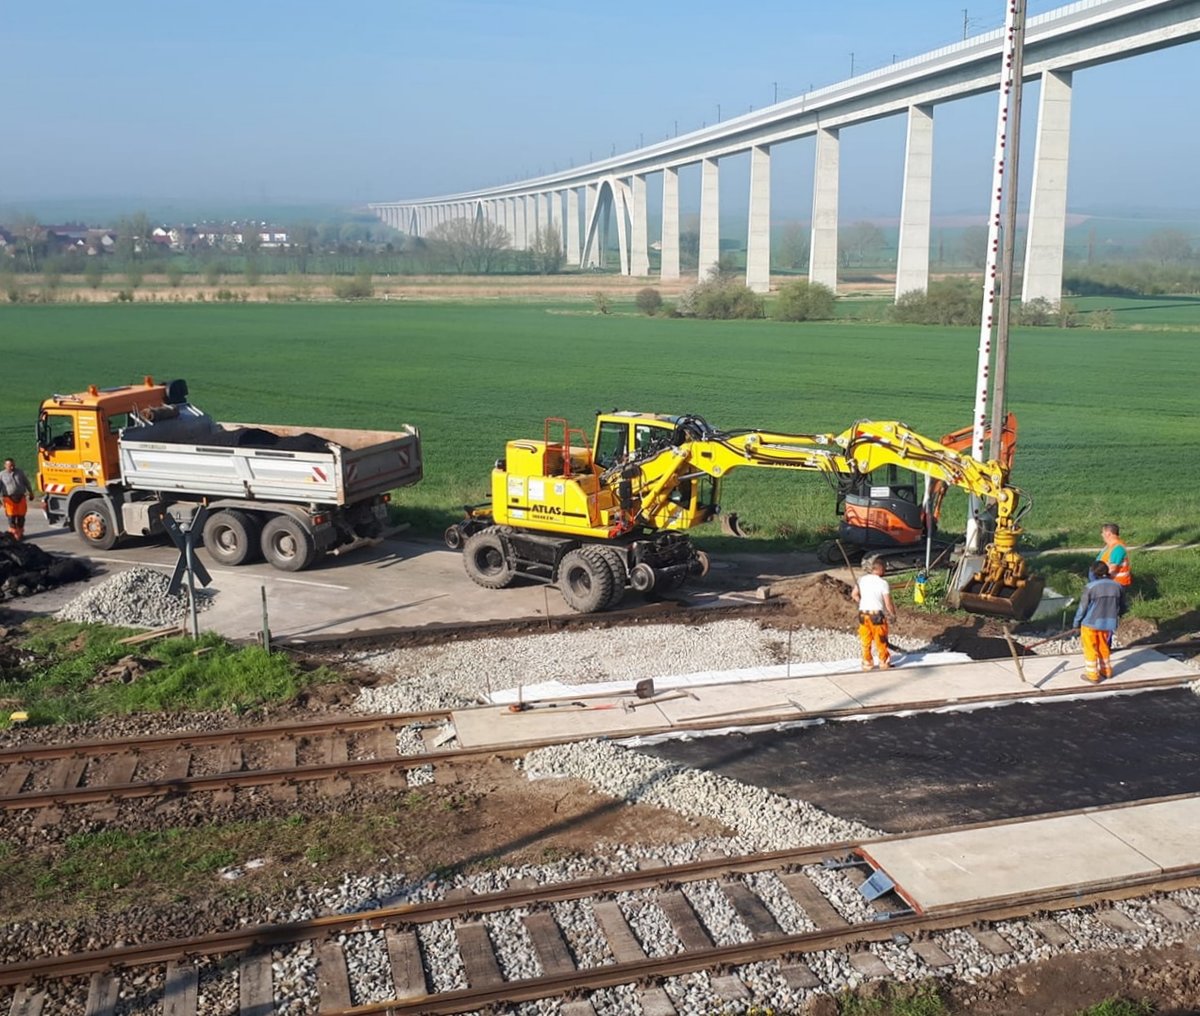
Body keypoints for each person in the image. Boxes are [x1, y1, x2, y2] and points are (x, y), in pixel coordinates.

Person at [1073, 560, 1127, 684]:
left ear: (1093, 573)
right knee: (1103, 647)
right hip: (1107, 624)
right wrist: (1118, 616)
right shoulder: (1117, 586)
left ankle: (1092, 675)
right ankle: (1106, 671)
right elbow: (1123, 606)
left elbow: (1082, 608)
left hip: (1090, 623)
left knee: (1090, 648)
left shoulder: (1090, 587)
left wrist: (1076, 623)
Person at [852, 558, 897, 671]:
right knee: (880, 640)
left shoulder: (862, 580)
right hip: (876, 616)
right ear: (881, 570)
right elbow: (888, 603)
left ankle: (867, 663)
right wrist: (892, 614)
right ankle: (883, 662)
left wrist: (862, 602)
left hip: (863, 614)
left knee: (865, 640)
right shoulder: (883, 583)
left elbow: (854, 594)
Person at [1, 458, 34, 541]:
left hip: (21, 497)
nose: (12, 467)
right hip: (8, 499)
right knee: (11, 517)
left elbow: (26, 483)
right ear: (5, 466)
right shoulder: (1, 475)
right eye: (10, 466)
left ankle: (20, 533)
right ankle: (13, 534)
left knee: (21, 516)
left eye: (13, 465)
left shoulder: (20, 472)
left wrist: (31, 493)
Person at [1096, 522, 1132, 588]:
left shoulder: (1118, 548)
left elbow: (1112, 569)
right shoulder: (1108, 547)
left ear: (1108, 534)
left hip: (1116, 582)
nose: (1102, 535)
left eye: (1102, 532)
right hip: (1108, 580)